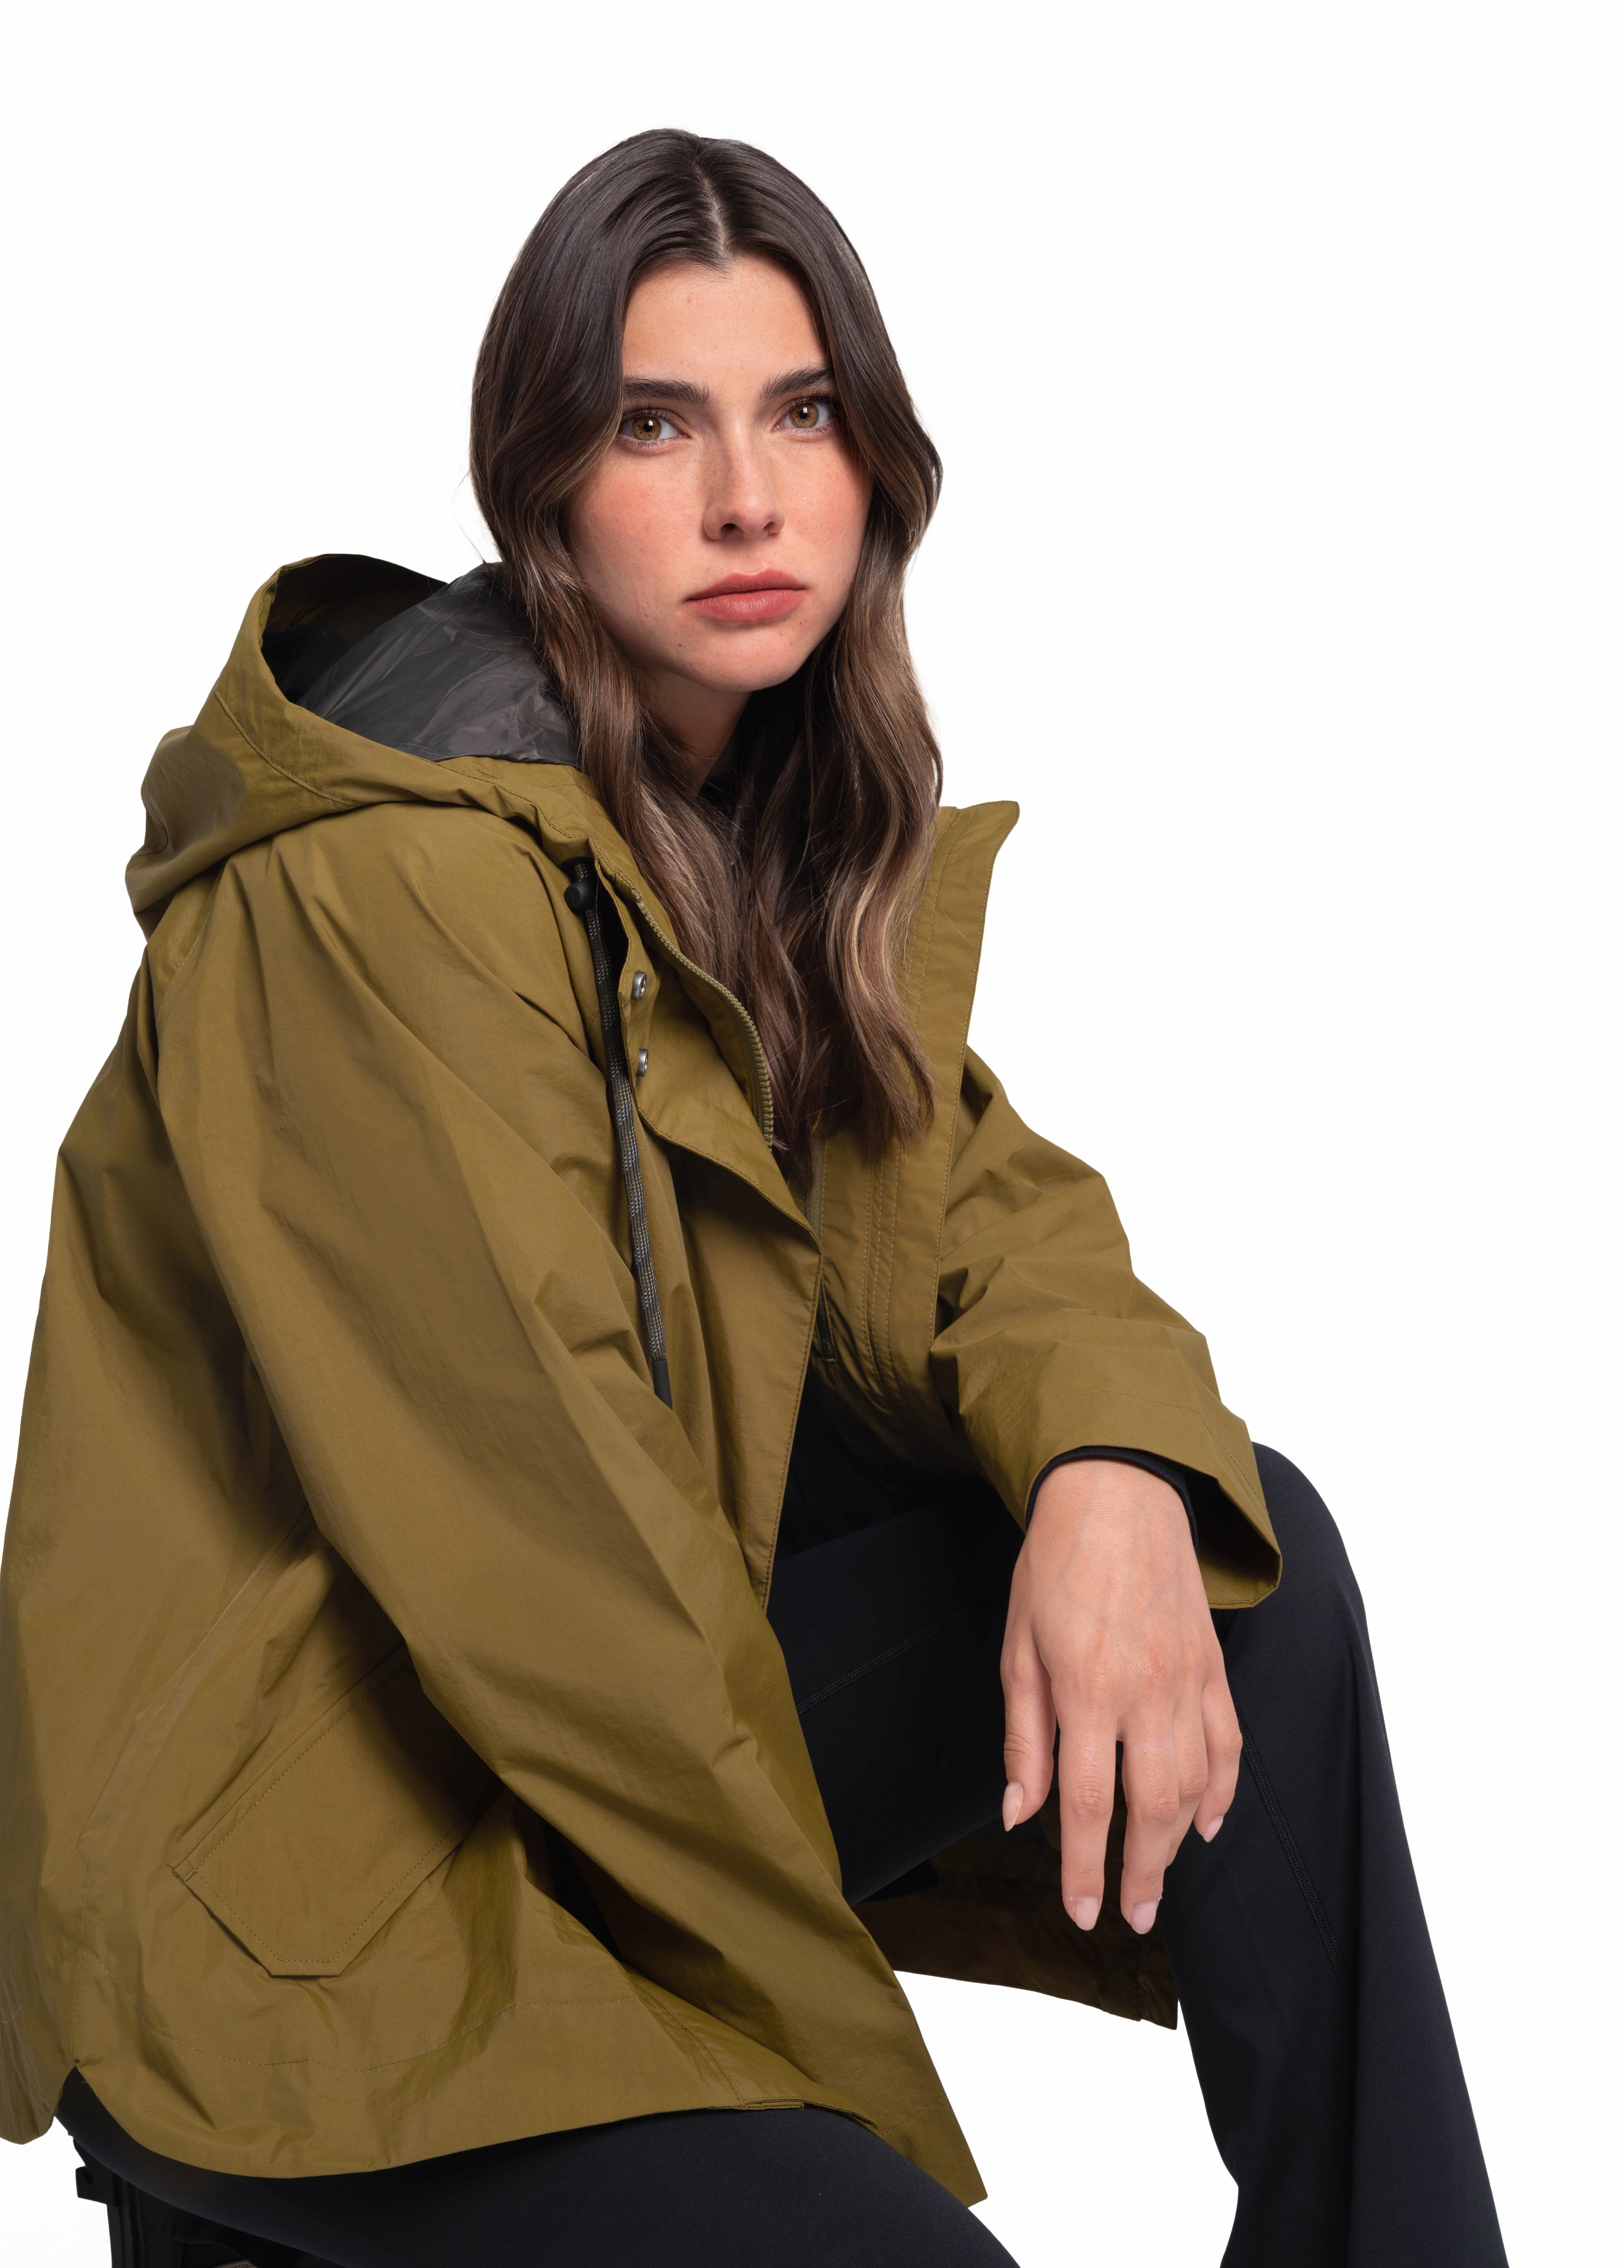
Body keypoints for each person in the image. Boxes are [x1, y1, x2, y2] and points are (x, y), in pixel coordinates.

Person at [0, 130, 1505, 2268]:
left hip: (561, 1756)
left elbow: (973, 1223)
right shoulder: (390, 880)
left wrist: (1108, 1470)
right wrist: (856, 2103)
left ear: (875, 463)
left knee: (1241, 1557)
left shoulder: (730, 828)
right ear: (541, 484)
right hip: (309, 1876)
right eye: (653, 423)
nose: (744, 496)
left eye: (800, 412)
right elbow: (551, 1581)